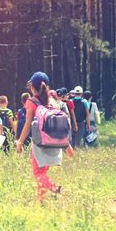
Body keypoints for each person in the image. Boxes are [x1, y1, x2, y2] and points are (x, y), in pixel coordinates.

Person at [17, 72, 74, 203]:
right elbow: (60, 125)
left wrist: (20, 142)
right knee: (42, 172)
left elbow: (27, 124)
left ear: (32, 87)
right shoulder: (53, 101)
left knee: (38, 174)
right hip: (54, 143)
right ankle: (40, 202)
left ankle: (57, 189)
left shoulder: (31, 102)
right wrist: (67, 146)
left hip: (40, 144)